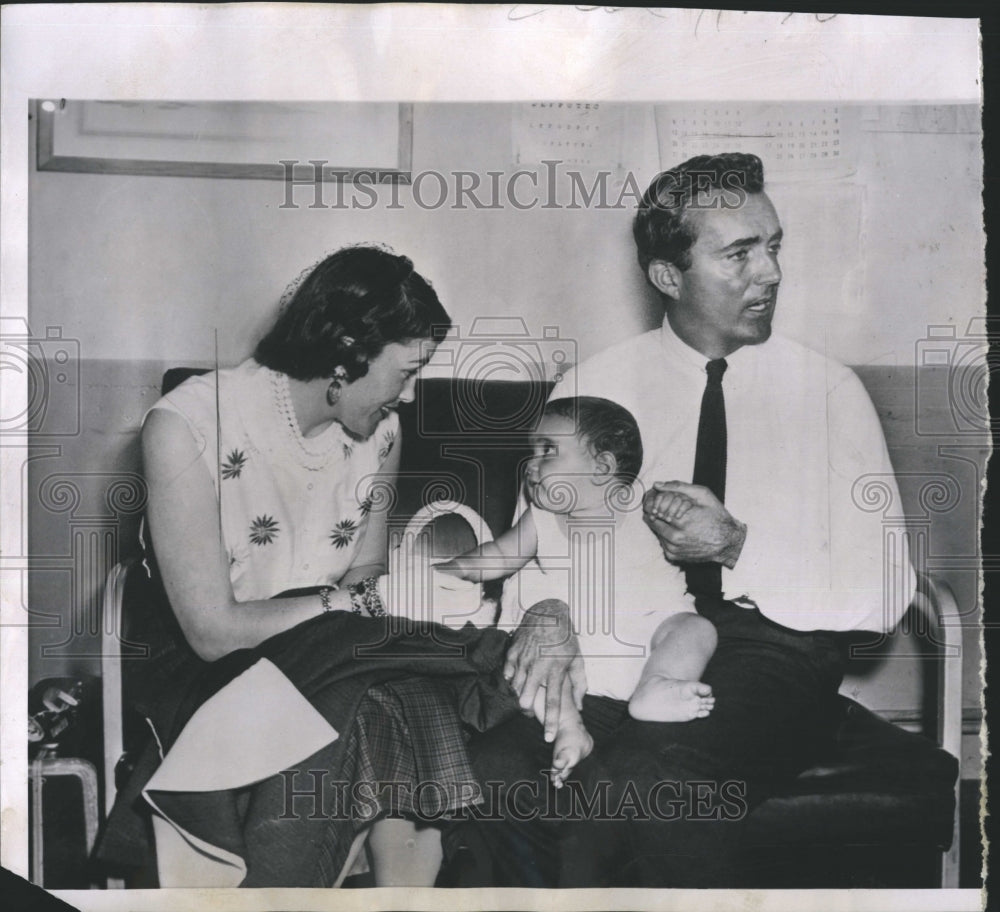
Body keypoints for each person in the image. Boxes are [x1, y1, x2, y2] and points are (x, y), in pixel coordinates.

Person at [444, 153, 915, 887]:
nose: (771, 273)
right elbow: (530, 560)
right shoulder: (591, 387)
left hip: (774, 650)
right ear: (670, 276)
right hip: (612, 639)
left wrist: (736, 548)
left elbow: (885, 597)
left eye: (774, 245)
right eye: (739, 253)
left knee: (651, 780)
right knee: (495, 771)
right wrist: (548, 613)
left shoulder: (829, 393)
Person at [128, 244, 502, 887]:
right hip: (207, 666)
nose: (408, 398)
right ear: (347, 353)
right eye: (405, 373)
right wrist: (346, 608)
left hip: (333, 651)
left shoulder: (381, 433)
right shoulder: (187, 425)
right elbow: (212, 631)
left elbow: (366, 571)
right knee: (369, 690)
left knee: (377, 686)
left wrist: (356, 607)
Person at [435, 396, 716, 786]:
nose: (532, 465)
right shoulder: (542, 520)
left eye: (548, 451)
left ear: (602, 468)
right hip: (575, 652)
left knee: (696, 629)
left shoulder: (642, 510)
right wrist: (447, 572)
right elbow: (497, 557)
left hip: (649, 634)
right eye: (531, 452)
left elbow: (692, 527)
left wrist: (675, 505)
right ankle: (570, 728)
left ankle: (659, 685)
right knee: (534, 664)